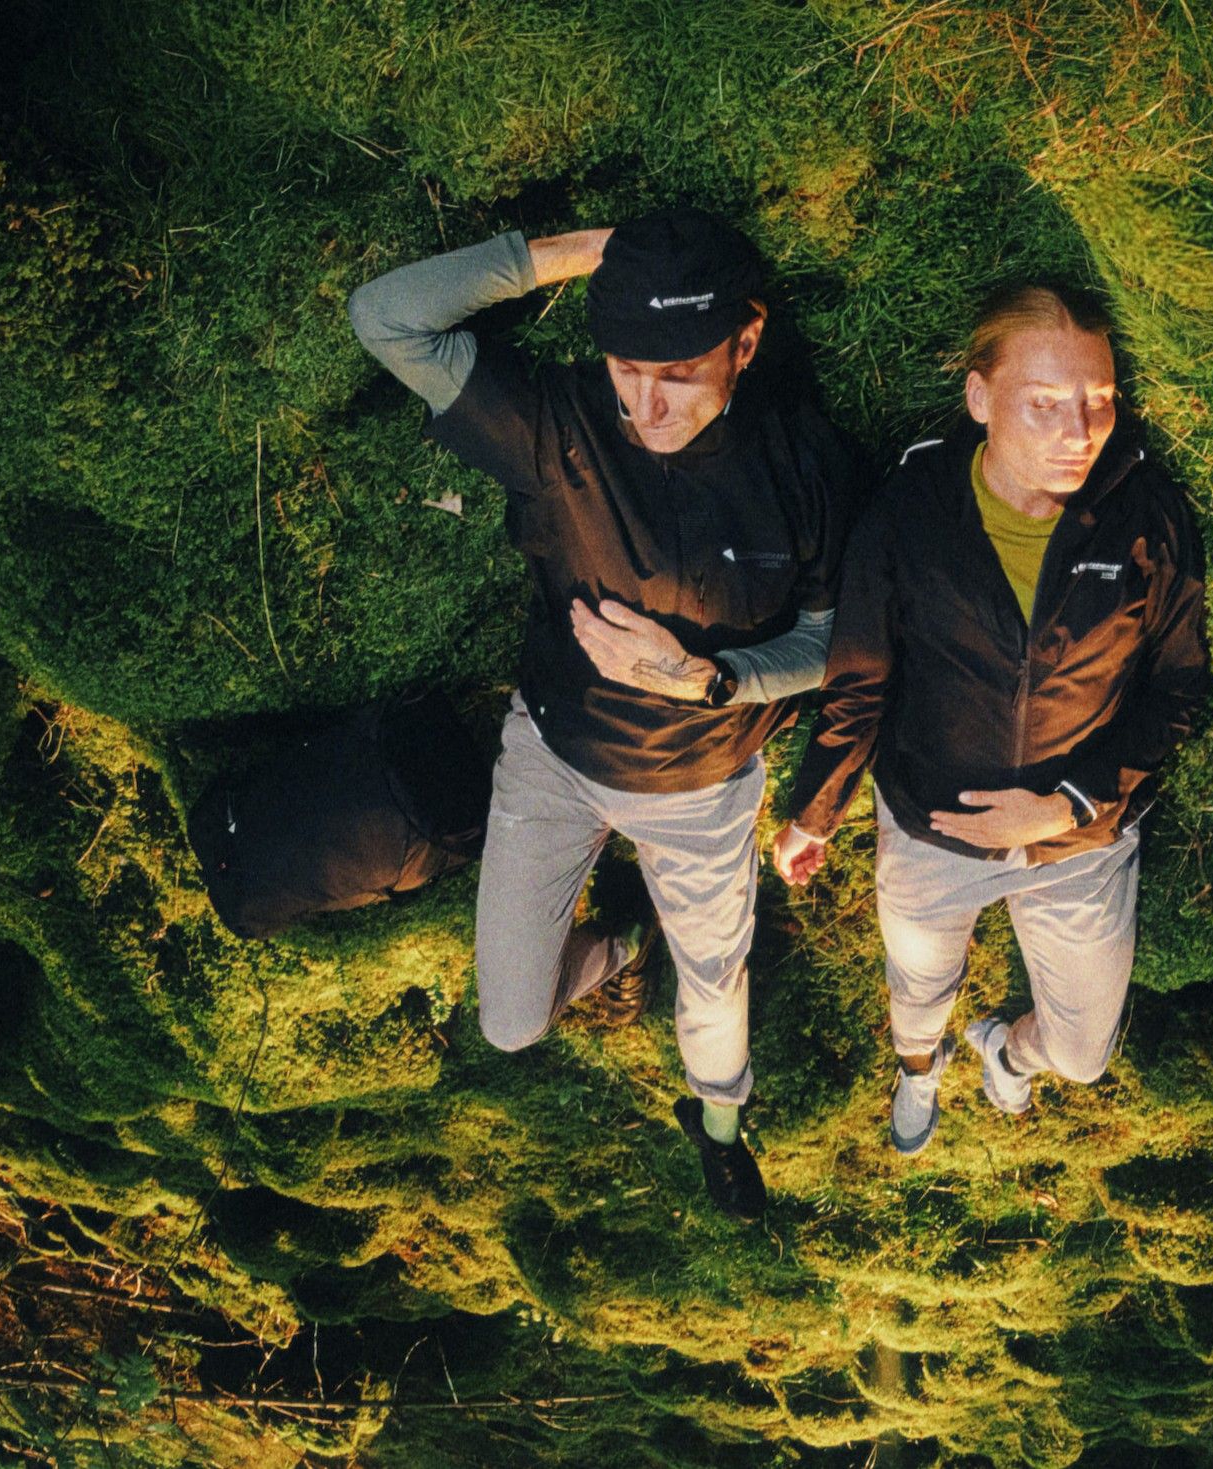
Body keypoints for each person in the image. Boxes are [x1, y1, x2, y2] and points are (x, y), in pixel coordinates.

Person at [349, 209, 859, 1218]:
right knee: (509, 1024)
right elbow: (385, 316)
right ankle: (623, 941)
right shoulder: (560, 426)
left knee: (716, 992)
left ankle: (720, 1128)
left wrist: (710, 680)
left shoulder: (806, 466)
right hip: (555, 758)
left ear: (745, 342)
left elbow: (833, 641)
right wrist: (588, 256)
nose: (648, 404)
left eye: (678, 371)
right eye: (627, 366)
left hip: (701, 785)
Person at [772, 283, 1209, 1155]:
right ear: (979, 398)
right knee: (917, 987)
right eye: (1043, 403)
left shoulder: (1148, 515)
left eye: (1098, 399)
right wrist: (815, 811)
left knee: (1081, 1057)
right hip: (932, 827)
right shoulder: (906, 511)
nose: (1079, 431)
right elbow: (859, 681)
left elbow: (1178, 690)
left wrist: (1068, 805)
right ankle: (918, 1067)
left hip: (1079, 843)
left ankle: (1007, 1050)